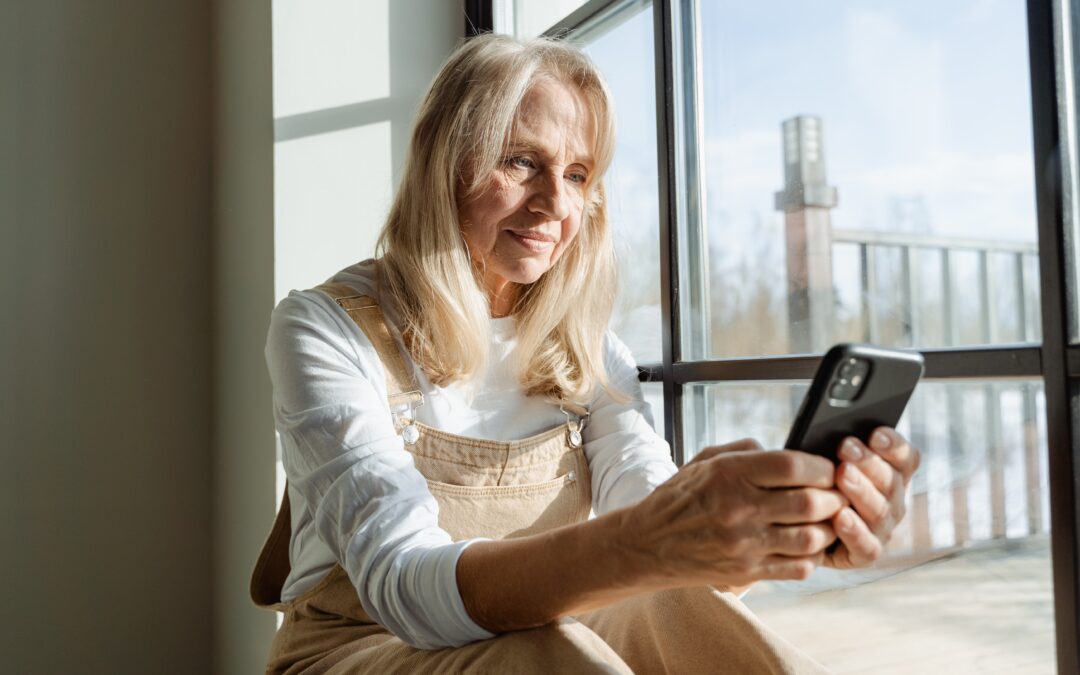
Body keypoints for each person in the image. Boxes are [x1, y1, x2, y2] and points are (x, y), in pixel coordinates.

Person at [251, 33, 920, 674]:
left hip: (537, 629)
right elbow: (402, 588)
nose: (555, 204)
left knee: (682, 608)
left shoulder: (590, 351)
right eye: (520, 161)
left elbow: (657, 523)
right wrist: (653, 536)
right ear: (443, 161)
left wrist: (772, 532)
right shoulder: (324, 328)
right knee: (552, 655)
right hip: (358, 649)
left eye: (577, 174)